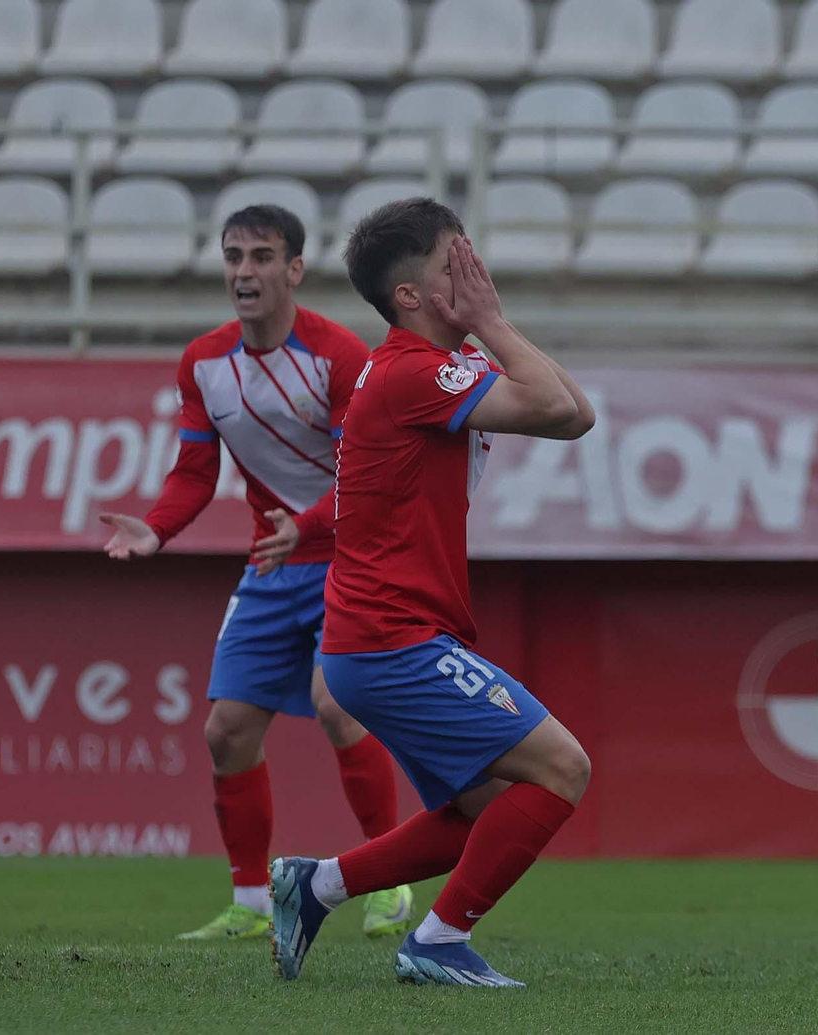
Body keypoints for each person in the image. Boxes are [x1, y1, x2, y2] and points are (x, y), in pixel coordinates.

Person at [268, 199, 596, 988]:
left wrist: (489, 326)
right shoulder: (415, 372)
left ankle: (315, 886)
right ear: (412, 296)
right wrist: (493, 321)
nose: (475, 274)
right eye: (458, 263)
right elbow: (556, 407)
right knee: (562, 768)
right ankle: (438, 940)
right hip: (391, 638)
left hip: (386, 637)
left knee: (480, 813)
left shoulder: (432, 371)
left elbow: (575, 412)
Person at [100, 204, 413, 941]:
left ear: (294, 270)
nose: (245, 271)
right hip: (273, 565)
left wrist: (303, 527)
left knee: (337, 705)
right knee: (225, 731)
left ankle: (389, 879)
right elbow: (194, 471)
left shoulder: (339, 357)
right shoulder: (203, 363)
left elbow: (362, 473)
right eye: (234, 256)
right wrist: (157, 527)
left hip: (347, 557)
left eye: (263, 256)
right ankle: (249, 903)